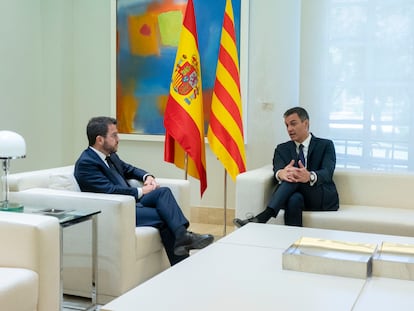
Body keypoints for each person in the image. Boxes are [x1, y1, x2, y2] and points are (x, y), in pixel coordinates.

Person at [74, 116, 214, 265]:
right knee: (164, 218)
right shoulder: (86, 163)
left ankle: (182, 237)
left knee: (163, 191)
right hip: (116, 210)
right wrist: (141, 191)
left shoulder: (110, 156)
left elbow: (130, 169)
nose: (118, 138)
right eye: (114, 135)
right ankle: (182, 262)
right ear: (100, 140)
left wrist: (147, 176)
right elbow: (109, 190)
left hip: (131, 203)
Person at [233, 107, 339, 227]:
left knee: (294, 176)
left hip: (319, 196)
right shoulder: (281, 148)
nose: (289, 129)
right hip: (292, 195)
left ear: (306, 123)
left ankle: (265, 216)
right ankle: (293, 241)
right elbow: (277, 169)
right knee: (294, 198)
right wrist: (281, 173)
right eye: (287, 125)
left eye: (293, 124)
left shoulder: (325, 145)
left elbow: (327, 172)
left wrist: (309, 176)